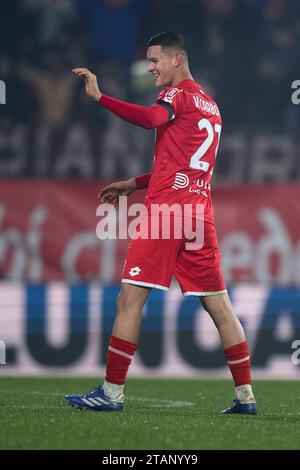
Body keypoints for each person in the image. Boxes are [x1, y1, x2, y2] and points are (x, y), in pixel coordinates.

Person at [65, 32, 257, 415]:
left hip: (167, 214)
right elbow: (180, 167)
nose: (150, 68)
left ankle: (112, 393)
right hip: (200, 215)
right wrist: (133, 184)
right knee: (220, 305)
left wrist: (101, 98)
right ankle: (245, 397)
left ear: (177, 59)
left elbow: (152, 118)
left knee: (129, 300)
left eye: (155, 61)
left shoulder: (176, 96)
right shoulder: (212, 107)